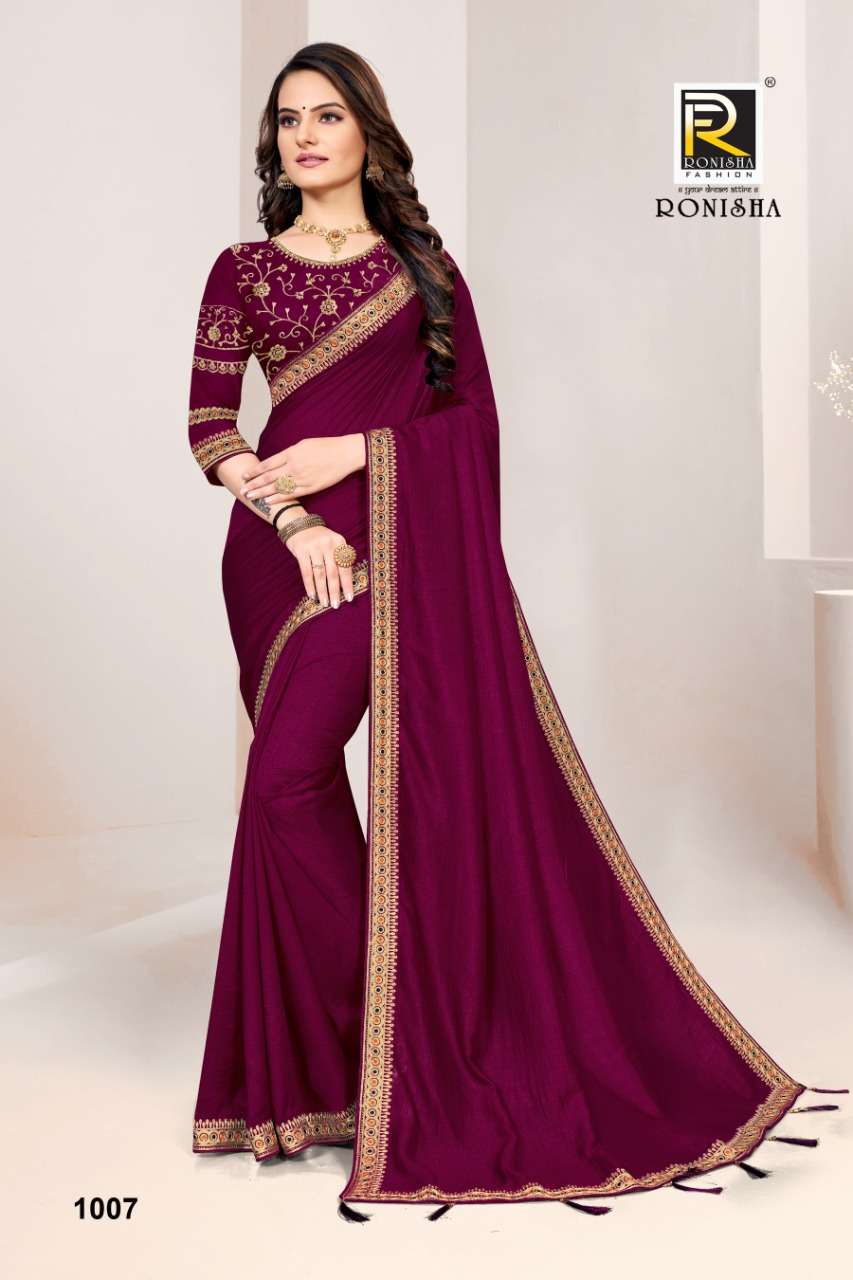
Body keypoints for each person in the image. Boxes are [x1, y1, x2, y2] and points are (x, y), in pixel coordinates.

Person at [188, 43, 843, 1220]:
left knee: (286, 781)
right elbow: (207, 427)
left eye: (327, 115)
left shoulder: (424, 274)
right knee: (287, 785)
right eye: (288, 120)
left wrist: (356, 452)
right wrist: (293, 516)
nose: (306, 136)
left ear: (367, 130)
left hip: (392, 550)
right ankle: (369, 1042)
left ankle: (405, 1029)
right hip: (278, 559)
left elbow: (474, 429)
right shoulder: (242, 271)